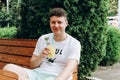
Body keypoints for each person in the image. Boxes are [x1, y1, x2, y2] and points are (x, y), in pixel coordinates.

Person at [2, 8, 81, 80]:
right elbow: (33, 65)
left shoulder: (74, 43)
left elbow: (70, 69)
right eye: (53, 22)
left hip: (57, 76)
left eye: (59, 22)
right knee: (8, 68)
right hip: (37, 74)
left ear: (66, 23)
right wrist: (41, 56)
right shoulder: (43, 39)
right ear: (50, 23)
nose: (56, 25)